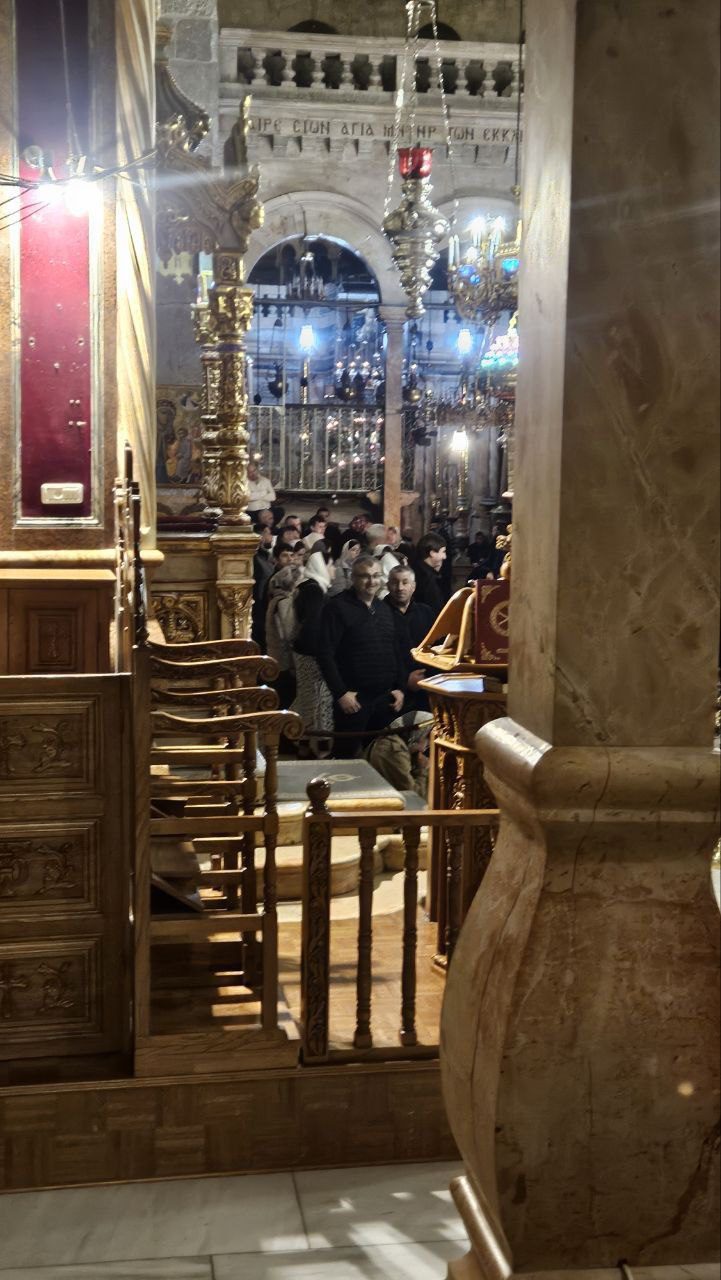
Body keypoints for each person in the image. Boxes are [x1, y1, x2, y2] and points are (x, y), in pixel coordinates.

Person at [317, 555, 405, 756]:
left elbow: (394, 650)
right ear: (353, 578)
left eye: (376, 575)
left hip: (384, 699)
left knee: (381, 757)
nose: (371, 581)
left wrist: (399, 687)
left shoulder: (383, 608)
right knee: (346, 757)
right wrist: (340, 693)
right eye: (365, 576)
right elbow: (325, 653)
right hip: (354, 698)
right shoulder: (337, 607)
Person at [290, 578, 334, 757]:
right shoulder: (322, 628)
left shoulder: (301, 629)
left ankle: (304, 747)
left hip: (304, 687)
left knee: (306, 710)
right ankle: (322, 750)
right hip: (320, 684)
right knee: (321, 712)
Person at [386, 565, 434, 707]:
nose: (400, 588)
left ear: (413, 586)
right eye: (395, 582)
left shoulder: (426, 612)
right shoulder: (379, 614)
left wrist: (427, 677)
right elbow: (379, 656)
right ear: (388, 586)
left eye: (405, 582)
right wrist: (404, 680)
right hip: (393, 691)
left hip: (426, 686)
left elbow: (437, 647)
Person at [265, 563, 303, 708]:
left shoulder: (275, 599)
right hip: (284, 661)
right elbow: (289, 633)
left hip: (276, 657)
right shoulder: (285, 602)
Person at [412, 532, 447, 617]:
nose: (444, 556)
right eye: (443, 552)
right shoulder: (426, 578)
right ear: (432, 553)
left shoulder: (417, 570)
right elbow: (435, 609)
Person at [365, 523, 403, 596]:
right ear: (378, 541)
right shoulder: (385, 557)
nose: (388, 541)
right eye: (386, 538)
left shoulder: (363, 556)